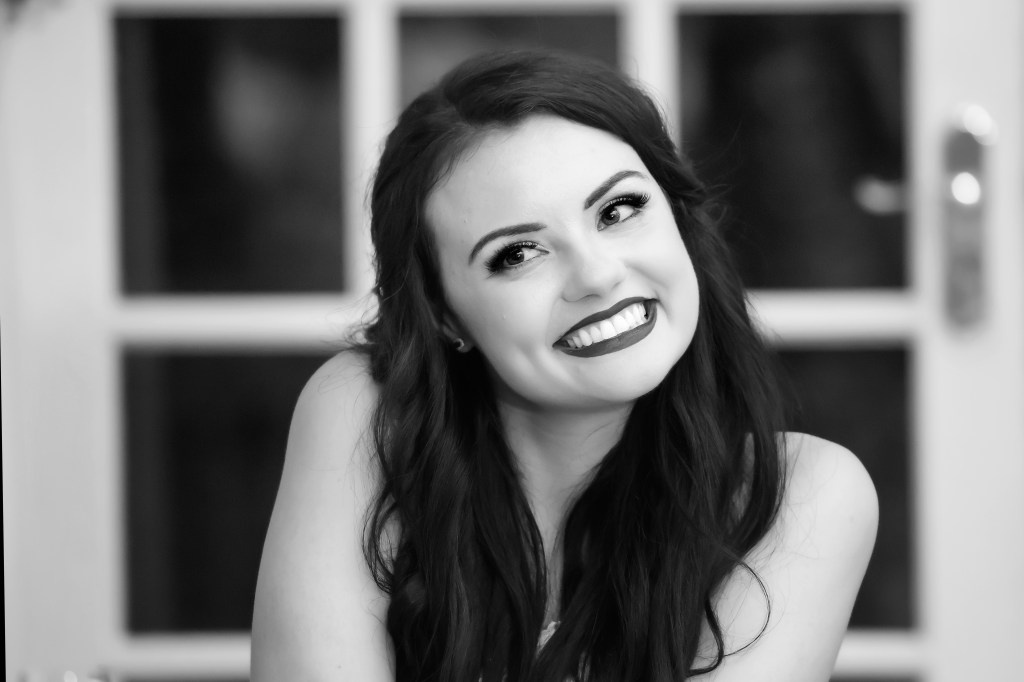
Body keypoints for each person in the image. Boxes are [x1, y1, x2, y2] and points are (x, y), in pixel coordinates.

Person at [250, 50, 878, 682]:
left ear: (678, 217)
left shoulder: (802, 496)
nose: (597, 276)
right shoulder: (363, 412)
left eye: (619, 210)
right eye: (518, 253)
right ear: (444, 316)